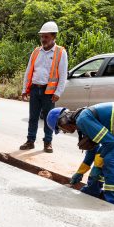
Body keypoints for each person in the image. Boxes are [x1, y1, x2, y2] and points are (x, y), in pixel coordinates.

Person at [47, 102, 114, 207]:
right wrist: (80, 172)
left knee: (112, 160)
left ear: (63, 120)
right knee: (102, 158)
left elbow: (109, 142)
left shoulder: (83, 120)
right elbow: (93, 150)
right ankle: (92, 191)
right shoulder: (81, 121)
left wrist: (97, 165)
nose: (64, 132)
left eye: (61, 128)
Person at [20, 21, 68, 153]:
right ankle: (30, 141)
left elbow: (63, 75)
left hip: (49, 91)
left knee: (48, 118)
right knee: (33, 117)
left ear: (53, 37)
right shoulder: (36, 51)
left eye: (46, 36)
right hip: (35, 88)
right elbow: (29, 70)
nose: (43, 39)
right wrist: (25, 89)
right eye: (42, 36)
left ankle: (48, 142)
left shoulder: (60, 52)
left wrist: (58, 92)